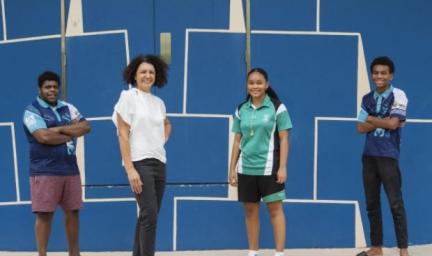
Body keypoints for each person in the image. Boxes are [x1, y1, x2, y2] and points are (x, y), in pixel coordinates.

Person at [23, 71, 91, 256]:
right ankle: (42, 254)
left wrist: (59, 129)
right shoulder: (32, 111)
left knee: (73, 212)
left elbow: (86, 127)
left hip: (70, 170)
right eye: (47, 87)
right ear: (40, 89)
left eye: (54, 86)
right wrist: (71, 132)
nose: (52, 90)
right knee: (45, 215)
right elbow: (43, 137)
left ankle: (74, 253)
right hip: (44, 170)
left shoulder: (68, 107)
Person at [229, 68, 292, 256]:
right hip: (246, 168)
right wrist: (232, 168)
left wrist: (282, 167)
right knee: (250, 211)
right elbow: (237, 140)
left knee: (275, 210)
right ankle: (253, 251)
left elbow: (284, 139)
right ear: (247, 85)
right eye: (251, 83)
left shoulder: (278, 107)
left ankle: (279, 253)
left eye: (259, 82)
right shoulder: (241, 109)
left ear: (266, 85)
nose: (255, 86)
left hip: (270, 168)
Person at [112, 54, 171, 256]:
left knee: (147, 215)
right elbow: (122, 134)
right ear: (134, 75)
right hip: (140, 163)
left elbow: (166, 124)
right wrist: (130, 169)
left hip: (159, 162)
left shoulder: (158, 102)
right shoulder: (128, 97)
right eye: (143, 72)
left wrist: (157, 141)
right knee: (150, 216)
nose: (148, 75)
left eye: (151, 72)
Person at [356, 56, 409, 256]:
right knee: (371, 204)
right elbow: (360, 128)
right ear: (372, 75)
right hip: (369, 156)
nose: (379, 76)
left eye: (383, 73)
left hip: (388, 156)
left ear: (391, 75)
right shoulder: (367, 98)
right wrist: (382, 120)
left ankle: (403, 249)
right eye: (376, 72)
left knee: (395, 203)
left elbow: (393, 124)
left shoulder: (399, 95)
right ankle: (376, 248)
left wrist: (369, 117)